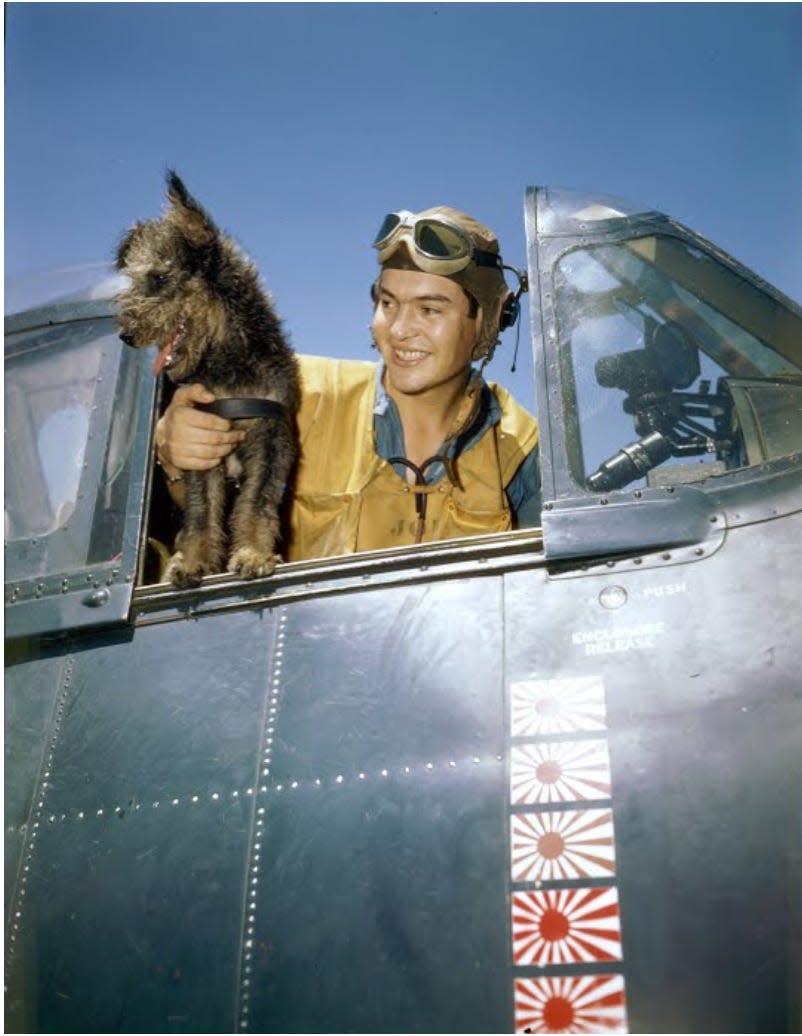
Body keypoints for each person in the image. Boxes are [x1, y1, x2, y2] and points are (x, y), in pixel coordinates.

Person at [155, 206, 541, 562]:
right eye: (387, 304)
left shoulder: (520, 449)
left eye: (429, 310)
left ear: (488, 321)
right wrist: (173, 455)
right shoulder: (295, 391)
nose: (400, 330)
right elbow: (207, 510)